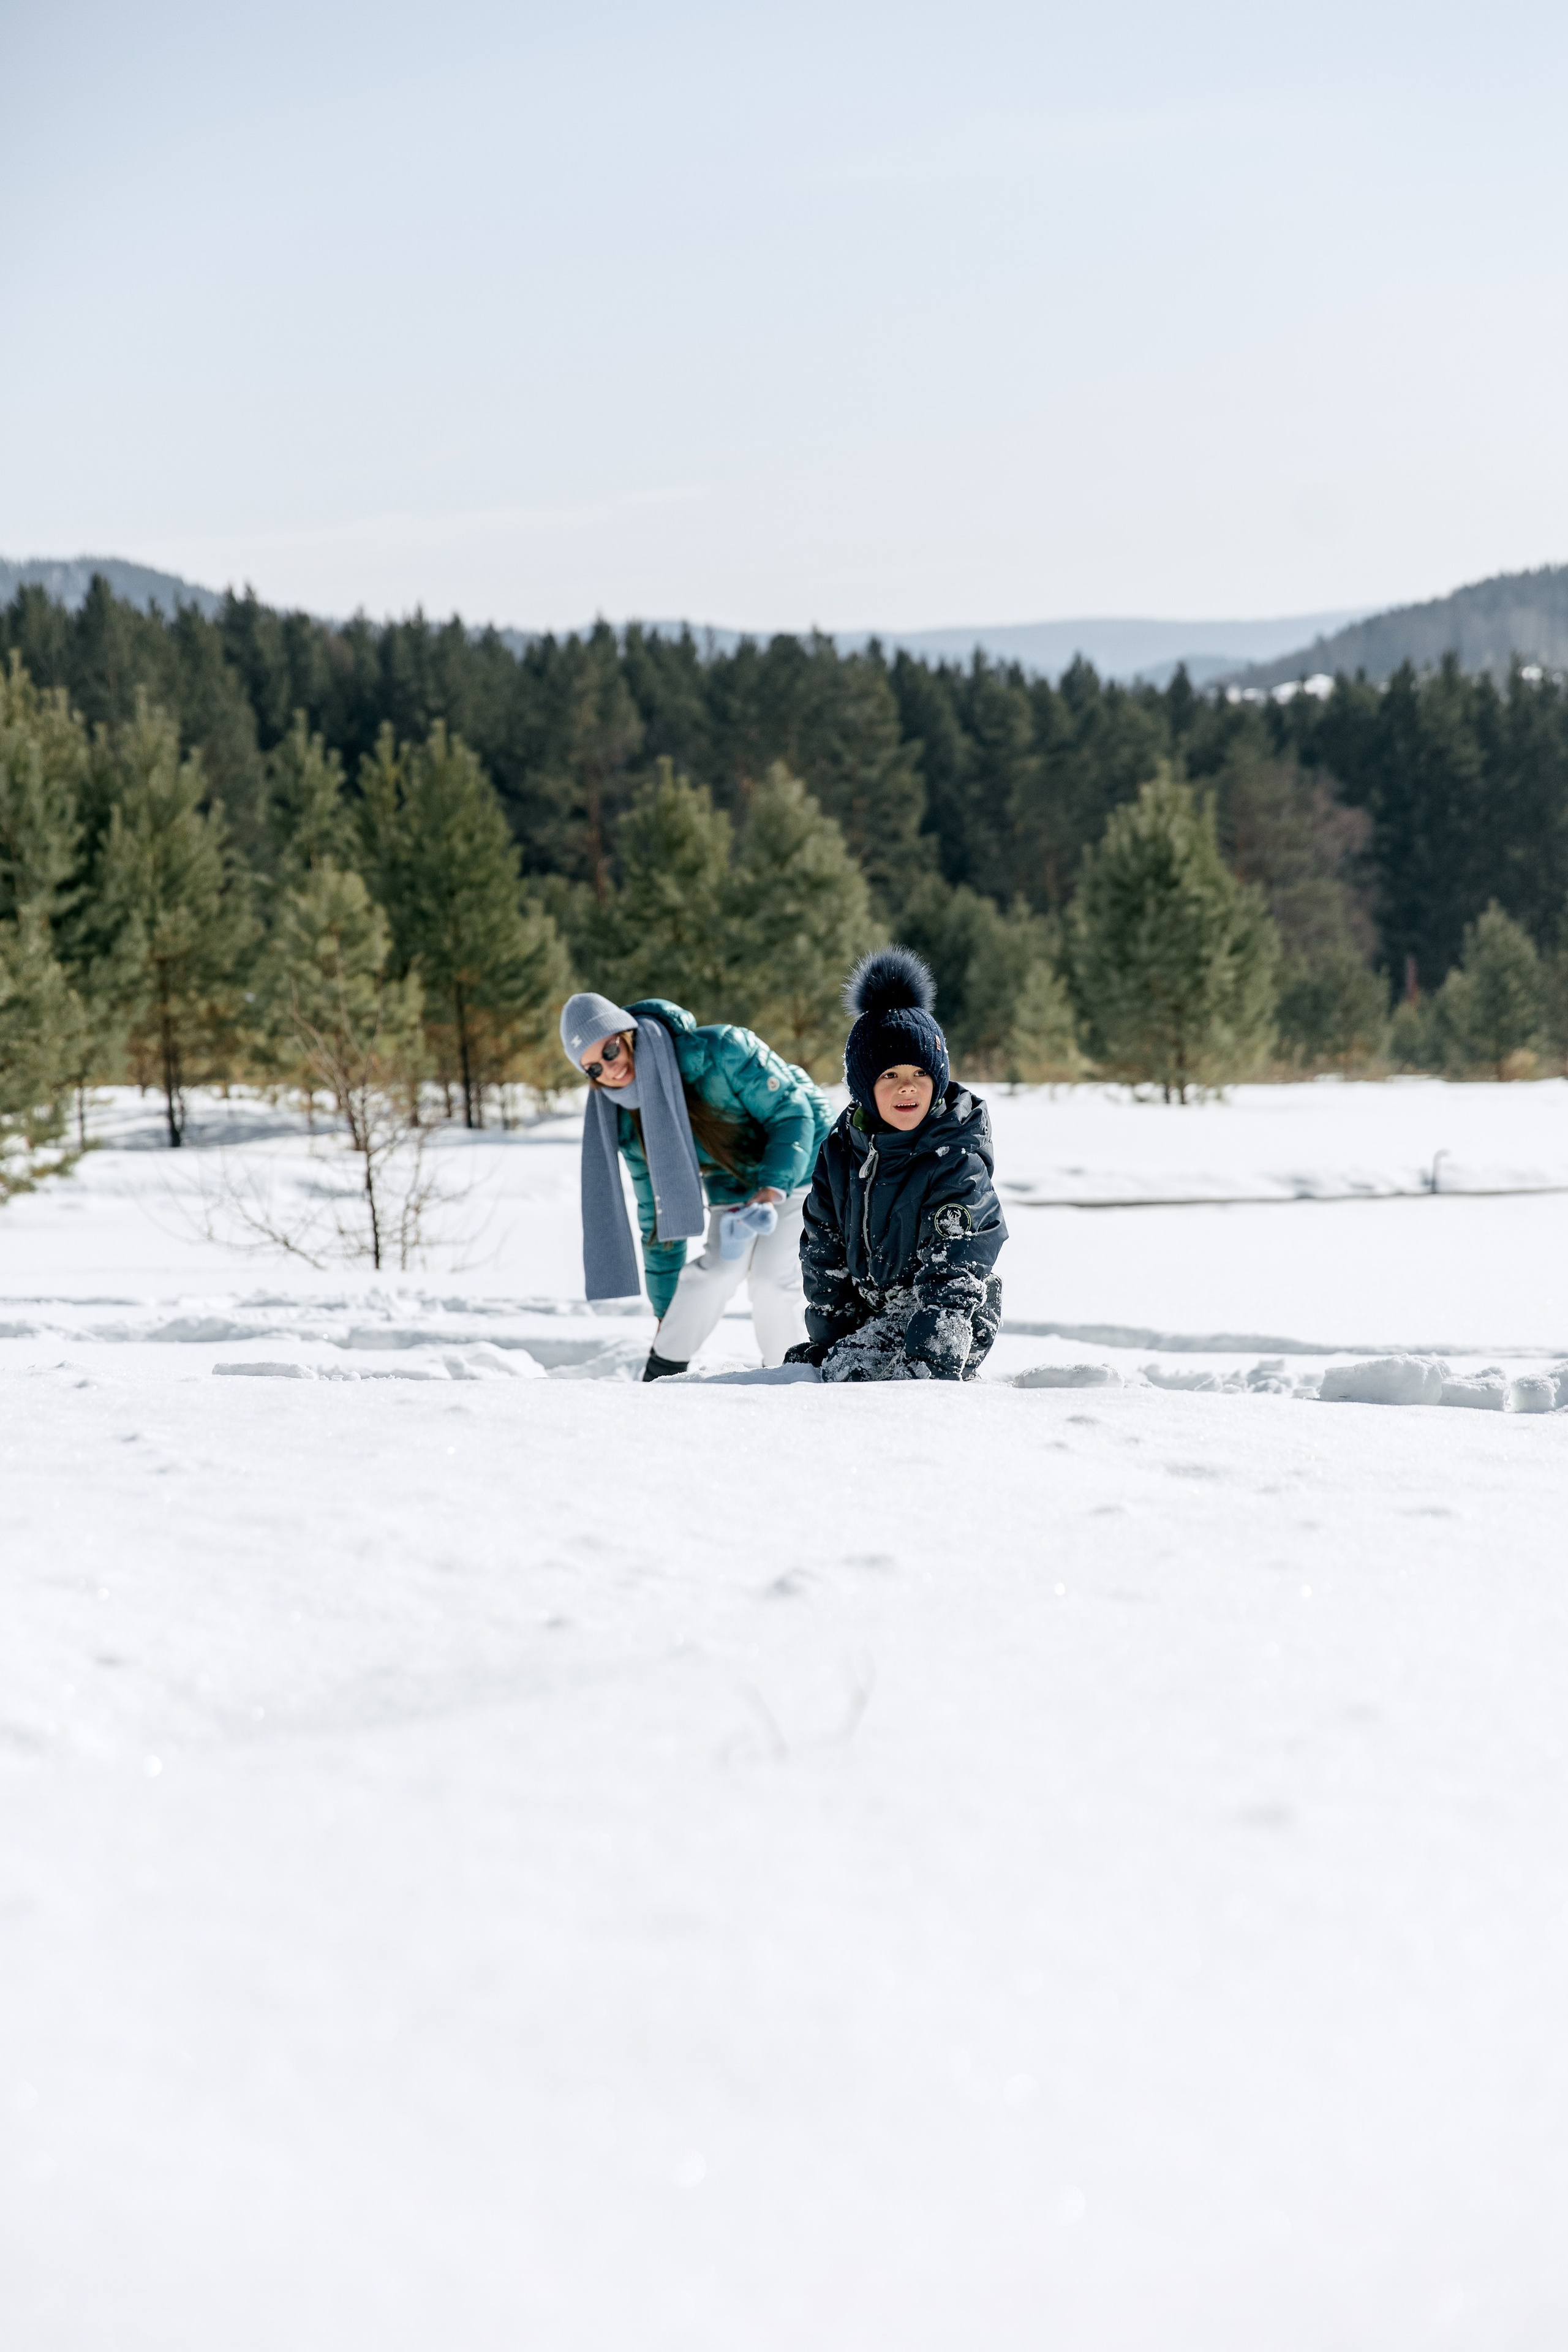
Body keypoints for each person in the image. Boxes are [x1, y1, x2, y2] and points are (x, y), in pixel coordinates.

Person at [560, 990, 834, 1379]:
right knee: (719, 1270)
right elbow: (659, 1218)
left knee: (772, 1280)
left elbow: (793, 1112)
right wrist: (664, 1315)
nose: (610, 1070)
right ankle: (661, 1372)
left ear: (628, 1033)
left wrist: (772, 1188)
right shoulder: (626, 1118)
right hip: (735, 1181)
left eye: (610, 1050)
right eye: (593, 1069)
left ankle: (787, 1375)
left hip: (806, 1165)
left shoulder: (721, 1050)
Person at [785, 947, 1006, 1381]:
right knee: (818, 1368)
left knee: (853, 1373)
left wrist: (928, 1368)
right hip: (875, 1310)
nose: (908, 1088)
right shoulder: (840, 1153)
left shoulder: (953, 1157)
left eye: (920, 1074)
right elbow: (823, 1256)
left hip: (948, 1312)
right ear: (865, 1088)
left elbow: (957, 1268)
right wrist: (830, 1340)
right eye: (890, 1076)